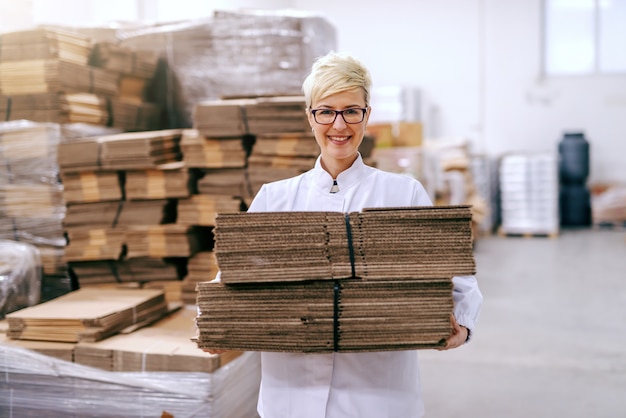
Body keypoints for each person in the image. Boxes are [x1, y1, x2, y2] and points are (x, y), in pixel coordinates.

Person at [208, 51, 483, 418]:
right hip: (291, 398)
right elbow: (233, 280)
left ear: (367, 115)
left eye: (351, 111)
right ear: (310, 116)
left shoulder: (404, 194)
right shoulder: (274, 199)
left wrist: (461, 324)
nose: (339, 125)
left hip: (379, 398)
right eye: (326, 111)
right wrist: (215, 323)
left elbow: (458, 279)